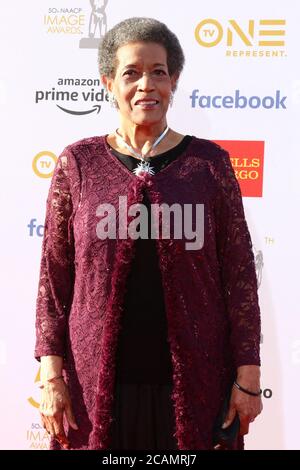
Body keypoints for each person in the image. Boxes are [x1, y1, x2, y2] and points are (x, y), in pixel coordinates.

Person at [34, 17, 263, 451]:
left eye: (159, 72)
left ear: (174, 80)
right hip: (95, 388)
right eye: (131, 73)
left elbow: (239, 278)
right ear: (108, 82)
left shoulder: (209, 166)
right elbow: (54, 281)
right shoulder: (77, 165)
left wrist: (248, 375)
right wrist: (51, 376)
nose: (146, 85)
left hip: (197, 382)